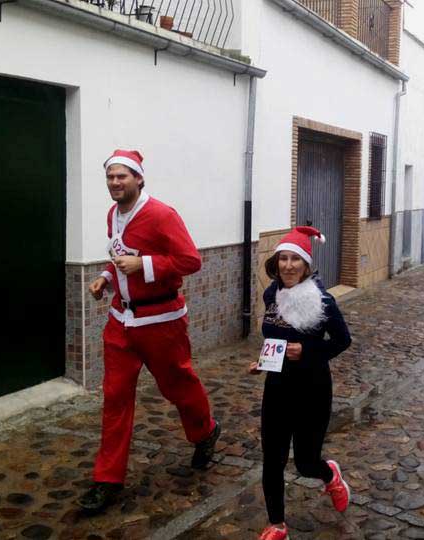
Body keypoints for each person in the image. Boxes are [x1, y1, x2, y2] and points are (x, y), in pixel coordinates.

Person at [78, 150, 220, 512]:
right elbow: (119, 256)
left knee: (178, 385)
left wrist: (144, 265)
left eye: (122, 176)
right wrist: (106, 278)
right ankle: (107, 480)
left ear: (139, 178)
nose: (115, 183)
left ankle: (205, 431)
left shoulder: (162, 214)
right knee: (115, 398)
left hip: (161, 323)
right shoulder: (114, 214)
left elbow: (191, 260)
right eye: (110, 177)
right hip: (121, 323)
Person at [251, 226, 353, 540]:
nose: (288, 265)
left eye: (295, 259)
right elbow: (275, 338)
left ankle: (329, 474)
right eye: (283, 258)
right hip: (277, 388)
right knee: (272, 459)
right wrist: (263, 361)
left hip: (313, 389)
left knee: (306, 463)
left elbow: (342, 341)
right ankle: (277, 525)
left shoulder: (322, 301)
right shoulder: (272, 294)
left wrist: (308, 351)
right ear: (276, 262)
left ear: (306, 265)